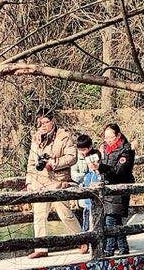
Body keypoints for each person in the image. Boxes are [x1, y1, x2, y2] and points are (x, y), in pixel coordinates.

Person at [25, 109, 81, 257]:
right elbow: (31, 162)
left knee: (64, 213)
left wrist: (53, 163)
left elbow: (72, 157)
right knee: (39, 216)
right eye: (40, 122)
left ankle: (82, 240)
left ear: (53, 121)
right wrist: (29, 181)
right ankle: (41, 249)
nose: (43, 125)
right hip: (40, 182)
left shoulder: (64, 136)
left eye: (45, 122)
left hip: (58, 181)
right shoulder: (36, 138)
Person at [96, 121, 135, 255]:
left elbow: (119, 170)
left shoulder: (126, 150)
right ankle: (123, 248)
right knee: (115, 220)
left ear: (118, 136)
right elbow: (103, 166)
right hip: (107, 188)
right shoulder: (104, 149)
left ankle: (109, 249)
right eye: (105, 138)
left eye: (110, 138)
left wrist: (100, 167)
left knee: (111, 220)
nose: (107, 141)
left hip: (119, 189)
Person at [70, 133, 101, 236]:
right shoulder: (76, 158)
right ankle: (86, 239)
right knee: (86, 216)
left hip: (96, 193)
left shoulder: (96, 155)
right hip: (83, 192)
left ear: (90, 147)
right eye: (80, 150)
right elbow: (74, 175)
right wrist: (86, 175)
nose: (82, 152)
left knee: (95, 217)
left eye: (84, 150)